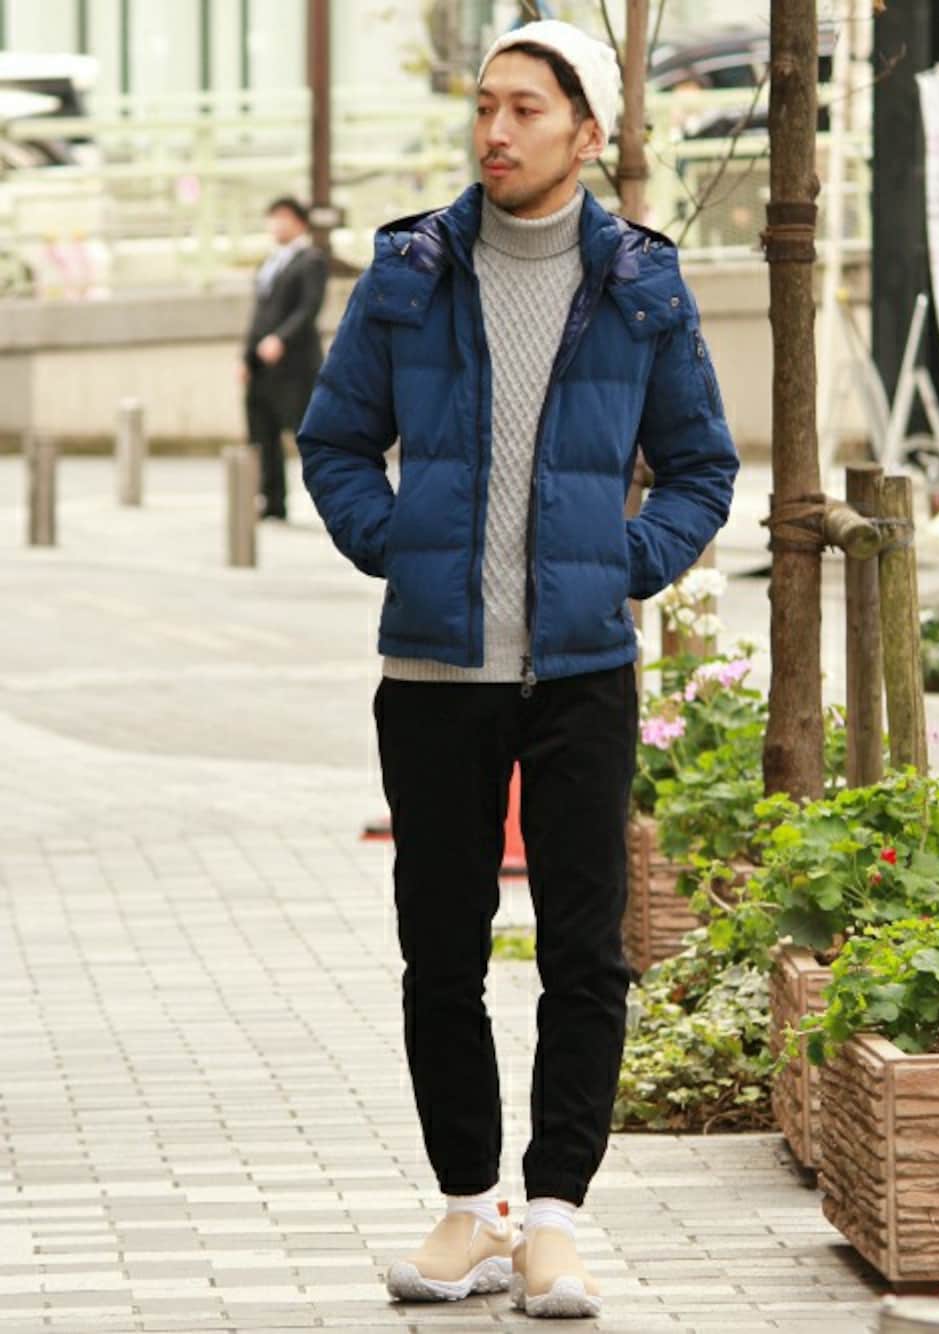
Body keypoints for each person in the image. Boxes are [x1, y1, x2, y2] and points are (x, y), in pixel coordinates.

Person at [297, 18, 738, 1321]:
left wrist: (624, 563)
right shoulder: (410, 270)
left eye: (526, 109)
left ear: (588, 134)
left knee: (584, 952)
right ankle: (467, 1207)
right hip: (434, 673)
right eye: (485, 104)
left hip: (581, 668)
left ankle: (552, 1221)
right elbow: (334, 442)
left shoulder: (642, 284)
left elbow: (703, 465)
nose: (495, 129)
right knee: (439, 951)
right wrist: (398, 545)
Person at [240, 196, 329, 520]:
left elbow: (308, 308)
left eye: (283, 217)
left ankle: (333, 499)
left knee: (308, 434)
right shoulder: (268, 263)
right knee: (262, 434)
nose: (276, 224)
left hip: (296, 365)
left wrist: (281, 338)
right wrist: (245, 357)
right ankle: (272, 501)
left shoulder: (311, 260)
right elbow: (258, 315)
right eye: (272, 217)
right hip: (262, 365)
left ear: (300, 223)